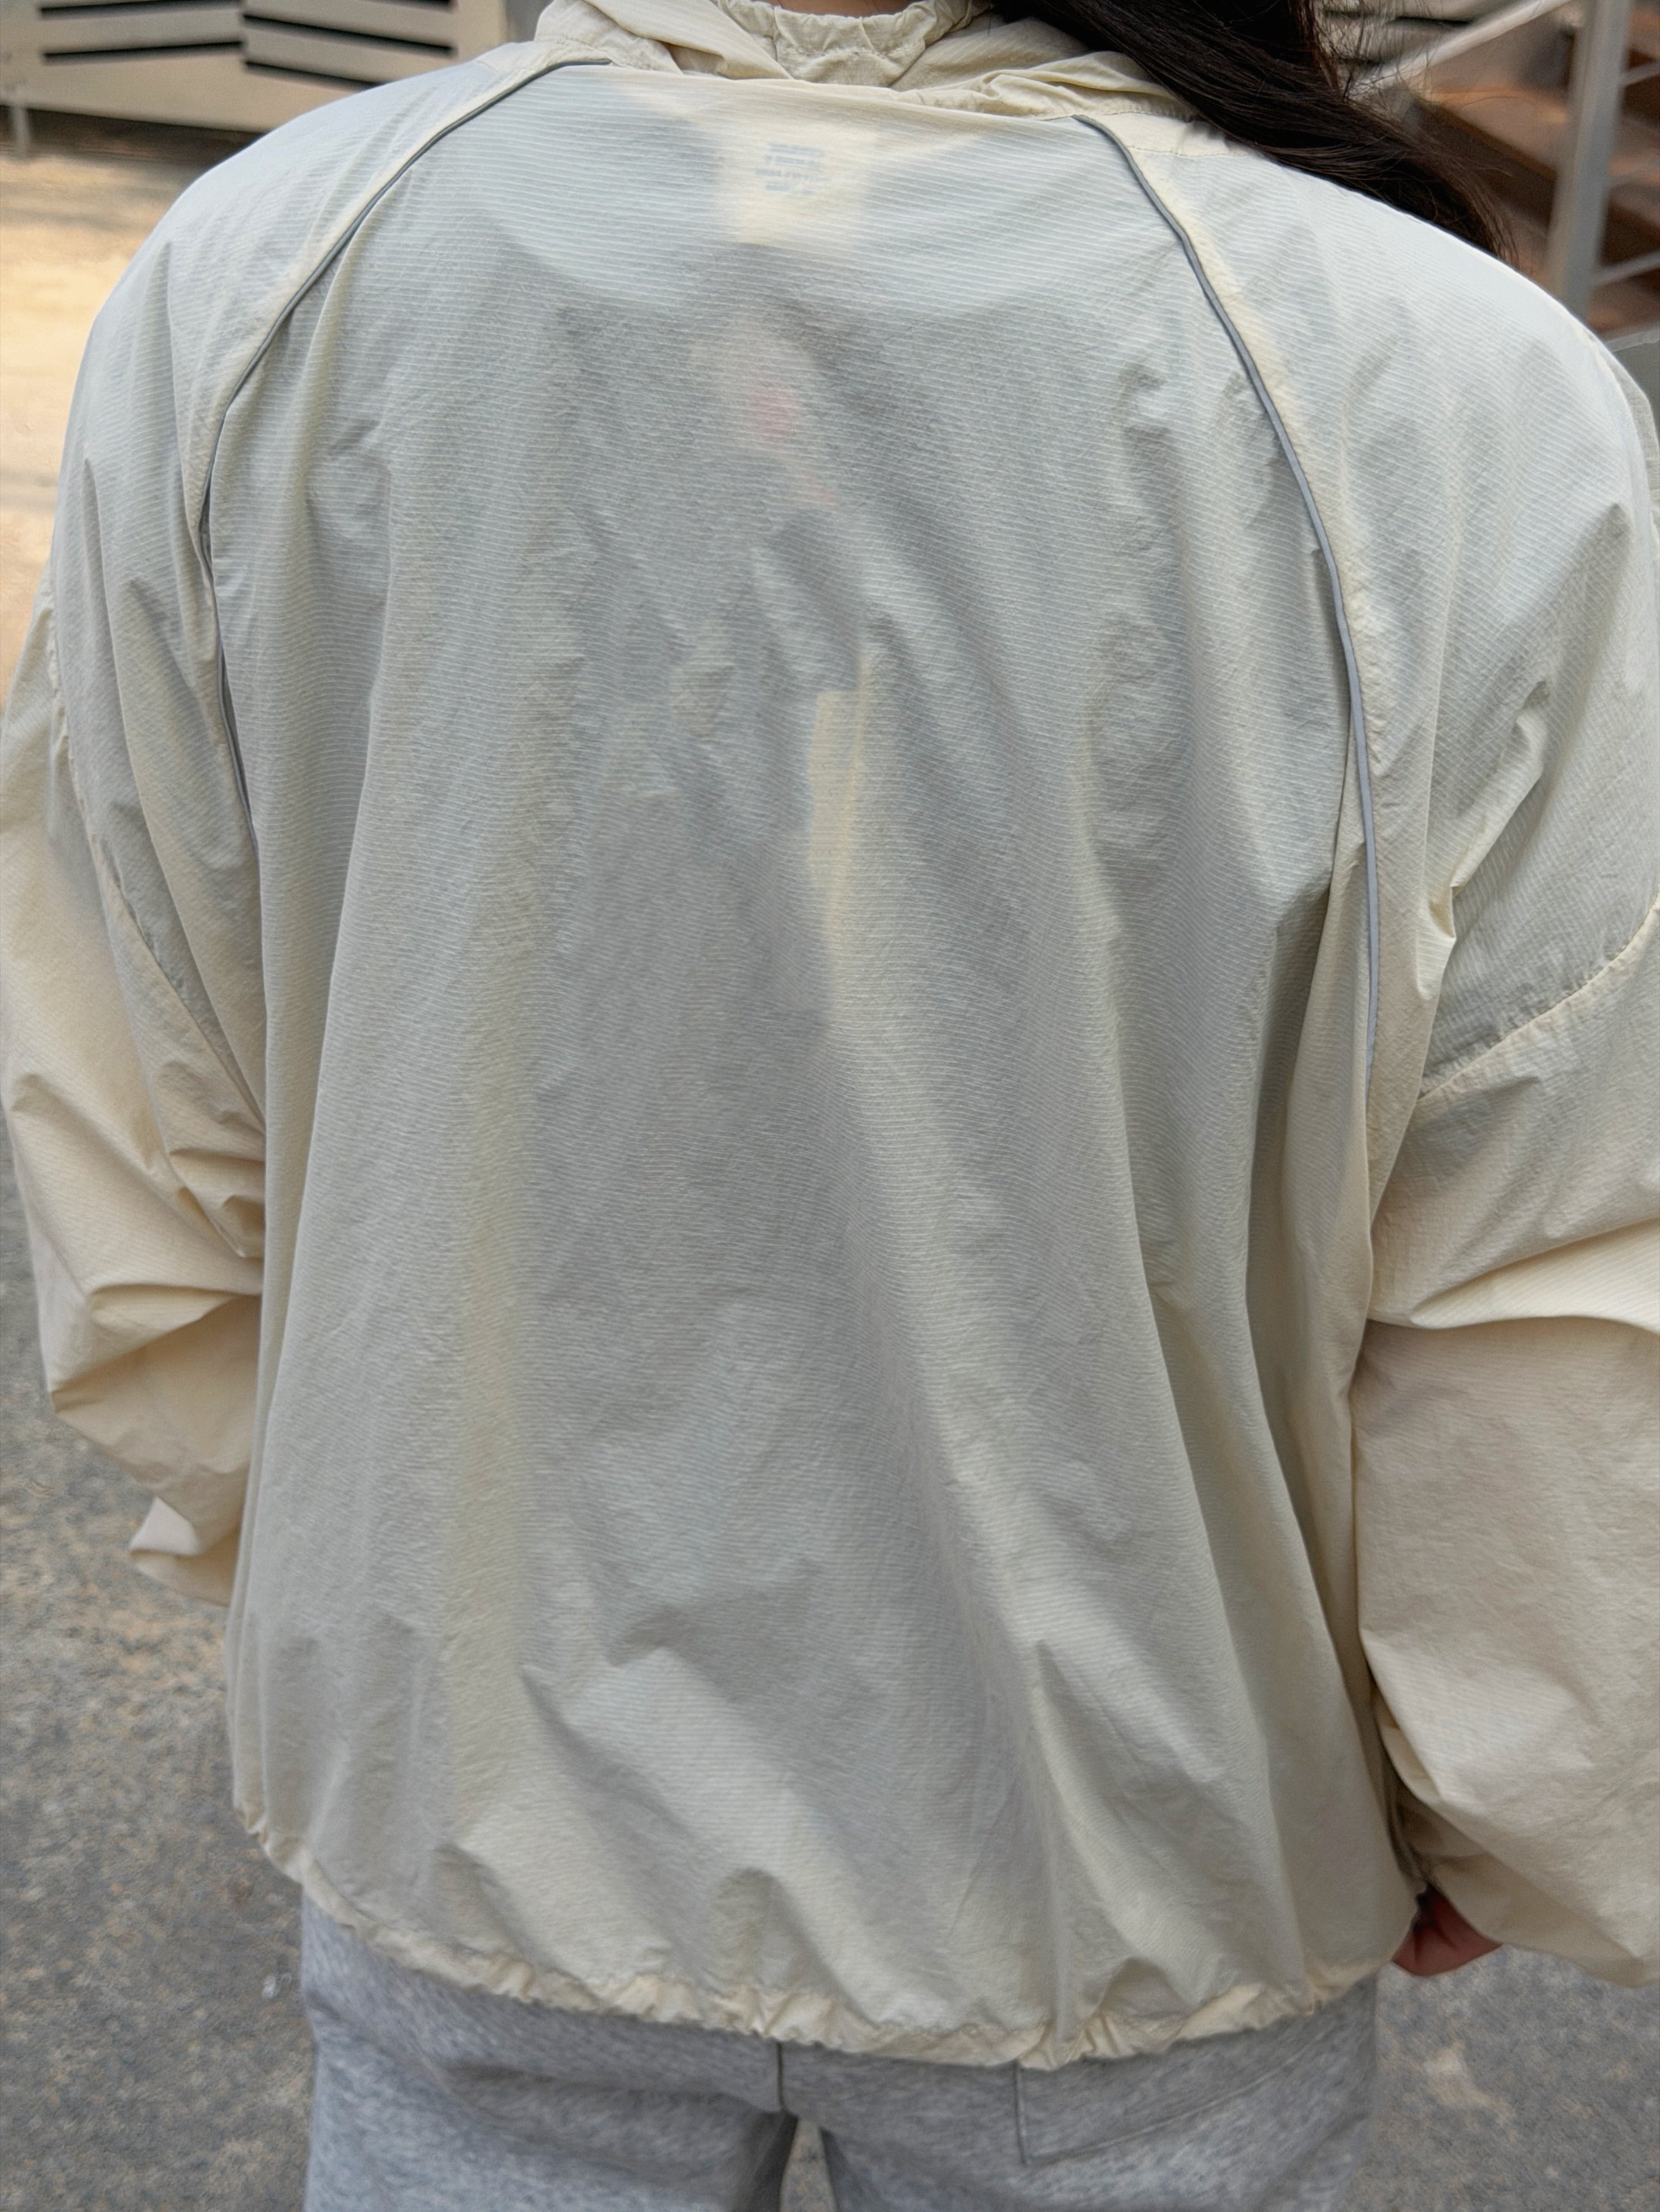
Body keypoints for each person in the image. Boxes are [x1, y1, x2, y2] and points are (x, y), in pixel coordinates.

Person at [0, 0, 1655, 2201]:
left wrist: (355, 1576)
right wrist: (1511, 1779)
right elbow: (1550, 1245)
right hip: (1134, 1870)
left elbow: (144, 1086)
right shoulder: (1449, 387)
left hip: (472, 1795)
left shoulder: (270, 270)